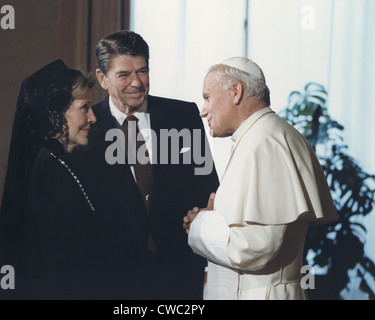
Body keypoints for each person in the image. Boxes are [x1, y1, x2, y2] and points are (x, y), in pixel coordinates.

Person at [72, 30, 219, 299]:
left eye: (142, 71)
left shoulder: (183, 116)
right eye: (124, 75)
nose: (136, 83)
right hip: (109, 280)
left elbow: (209, 189)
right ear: (103, 78)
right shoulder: (86, 129)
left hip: (178, 275)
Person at [183, 57, 337, 300]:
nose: (203, 111)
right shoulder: (265, 135)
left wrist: (201, 224)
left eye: (207, 97)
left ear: (236, 92)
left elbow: (254, 248)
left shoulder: (263, 142)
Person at [0, 59, 113, 299]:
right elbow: (54, 261)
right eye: (84, 108)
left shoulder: (57, 162)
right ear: (56, 113)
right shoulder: (48, 169)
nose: (93, 118)